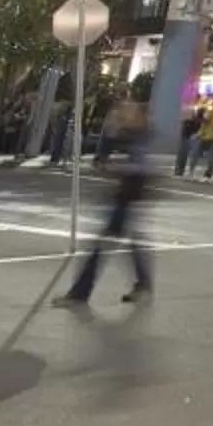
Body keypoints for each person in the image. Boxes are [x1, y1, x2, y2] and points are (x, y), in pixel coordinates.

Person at [56, 101, 156, 307]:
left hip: (127, 196)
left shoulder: (139, 139)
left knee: (100, 247)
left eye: (132, 113)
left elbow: (137, 167)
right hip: (127, 195)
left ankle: (80, 293)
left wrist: (116, 168)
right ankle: (143, 284)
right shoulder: (132, 136)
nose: (127, 115)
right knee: (129, 243)